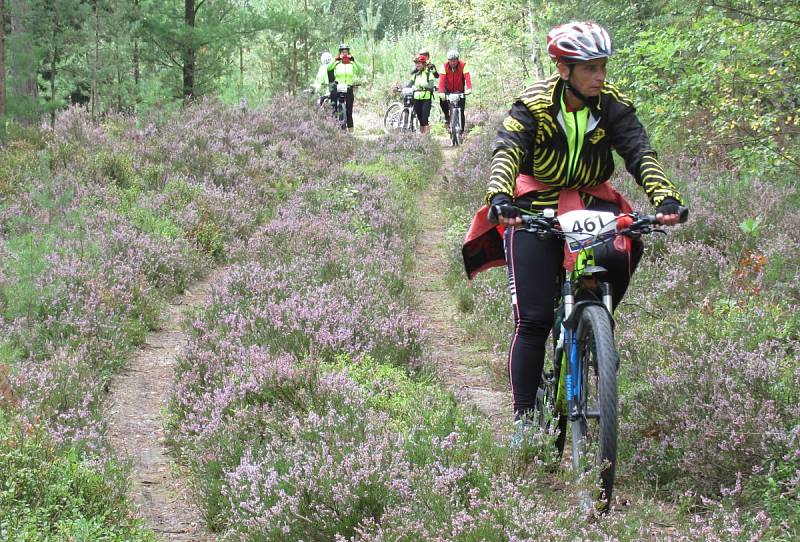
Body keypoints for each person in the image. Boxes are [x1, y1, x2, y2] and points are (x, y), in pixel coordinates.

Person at [461, 21, 687, 443]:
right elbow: (507, 152)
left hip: (591, 201)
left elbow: (640, 153)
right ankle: (525, 422)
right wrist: (499, 197)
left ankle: (593, 327)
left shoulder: (612, 105)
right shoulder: (534, 105)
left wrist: (665, 199)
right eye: (590, 68)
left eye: (603, 67)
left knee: (623, 249)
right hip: (531, 205)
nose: (600, 76)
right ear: (564, 69)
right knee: (532, 320)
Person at [327, 43, 363, 130]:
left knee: (349, 109)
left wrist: (354, 60)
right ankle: (334, 123)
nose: (344, 54)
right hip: (338, 85)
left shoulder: (351, 63)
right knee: (334, 102)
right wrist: (335, 60)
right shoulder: (337, 62)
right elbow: (328, 68)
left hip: (348, 86)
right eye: (342, 52)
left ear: (348, 52)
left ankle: (350, 128)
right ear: (340, 53)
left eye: (346, 52)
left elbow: (360, 69)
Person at [438, 49, 472, 133]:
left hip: (459, 91)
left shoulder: (463, 65)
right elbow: (441, 80)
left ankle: (461, 132)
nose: (453, 62)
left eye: (454, 60)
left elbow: (467, 77)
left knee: (461, 111)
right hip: (447, 90)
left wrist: (469, 88)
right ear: (448, 60)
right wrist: (441, 92)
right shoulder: (444, 66)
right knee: (442, 101)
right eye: (450, 60)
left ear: (457, 59)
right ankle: (446, 115)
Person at [408, 55, 437, 134]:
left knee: (425, 119)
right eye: (416, 63)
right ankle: (422, 139)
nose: (417, 65)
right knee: (420, 119)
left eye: (419, 63)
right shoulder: (415, 75)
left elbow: (431, 85)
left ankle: (427, 138)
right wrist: (400, 88)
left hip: (426, 99)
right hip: (416, 99)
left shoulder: (428, 74)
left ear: (424, 64)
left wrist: (424, 87)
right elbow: (409, 85)